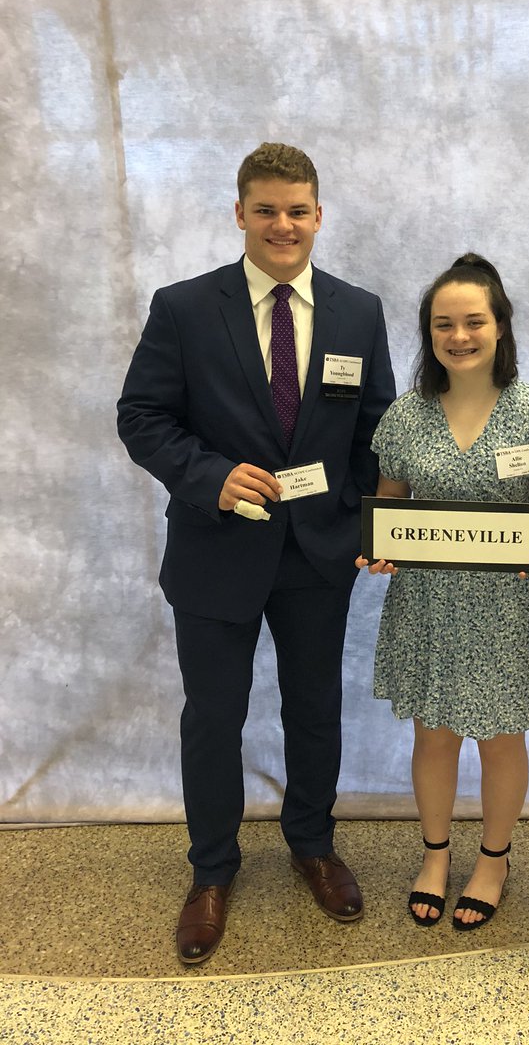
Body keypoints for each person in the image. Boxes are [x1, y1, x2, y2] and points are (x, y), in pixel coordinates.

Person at [117, 142, 395, 964]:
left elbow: (376, 431)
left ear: (319, 215)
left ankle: (312, 842)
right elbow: (141, 417)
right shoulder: (184, 307)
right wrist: (208, 475)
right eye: (267, 209)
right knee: (214, 718)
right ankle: (211, 872)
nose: (284, 224)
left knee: (315, 709)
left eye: (298, 209)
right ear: (240, 213)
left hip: (319, 552)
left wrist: (374, 527)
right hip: (215, 552)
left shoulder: (358, 311)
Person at [358, 254, 529, 930]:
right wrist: (382, 548)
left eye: (473, 321)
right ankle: (435, 854)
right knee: (435, 736)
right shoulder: (405, 415)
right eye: (443, 324)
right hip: (427, 605)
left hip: (506, 602)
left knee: (502, 739)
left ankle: (494, 859)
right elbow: (390, 504)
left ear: (500, 326)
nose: (459, 335)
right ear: (429, 333)